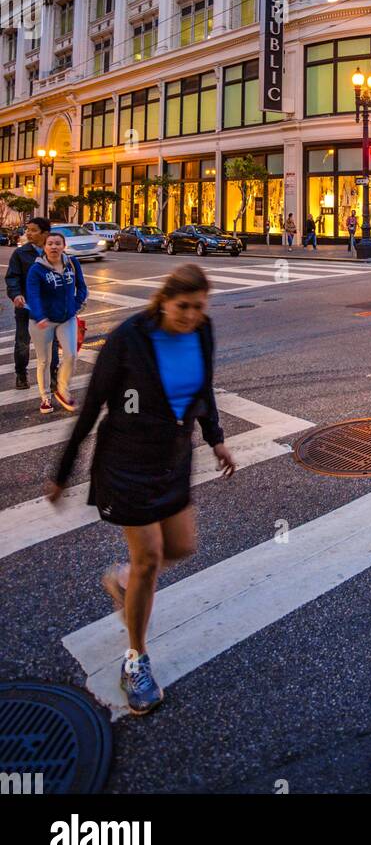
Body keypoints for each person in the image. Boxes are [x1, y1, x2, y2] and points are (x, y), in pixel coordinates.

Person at [46, 263, 236, 716]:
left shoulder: (203, 331)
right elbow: (92, 405)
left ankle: (125, 583)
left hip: (173, 457)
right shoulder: (131, 337)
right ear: (163, 301)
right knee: (149, 557)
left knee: (183, 545)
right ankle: (135, 661)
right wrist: (64, 470)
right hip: (127, 464)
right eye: (182, 307)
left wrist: (216, 439)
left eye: (198, 307)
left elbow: (203, 388)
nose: (190, 316)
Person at [25, 231, 87, 415]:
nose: (54, 247)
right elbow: (33, 295)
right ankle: (45, 397)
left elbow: (82, 287)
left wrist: (75, 306)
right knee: (44, 360)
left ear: (63, 246)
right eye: (50, 243)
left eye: (57, 243)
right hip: (41, 321)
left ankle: (62, 389)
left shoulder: (72, 263)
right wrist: (40, 314)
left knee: (71, 355)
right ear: (44, 247)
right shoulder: (36, 270)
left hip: (66, 317)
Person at [5, 216, 59, 391]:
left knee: (52, 343)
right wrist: (16, 295)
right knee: (22, 342)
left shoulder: (54, 252)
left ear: (45, 233)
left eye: (33, 230)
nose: (28, 233)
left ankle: (53, 376)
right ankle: (21, 374)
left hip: (49, 308)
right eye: (27, 230)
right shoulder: (20, 253)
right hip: (26, 307)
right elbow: (12, 277)